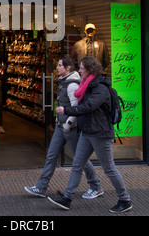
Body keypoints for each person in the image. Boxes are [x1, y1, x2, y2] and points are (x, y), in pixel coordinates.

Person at [48, 56, 132, 214]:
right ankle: (67, 198)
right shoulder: (86, 85)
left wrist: (66, 110)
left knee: (109, 168)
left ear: (90, 70)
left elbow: (88, 107)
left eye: (81, 68)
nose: (79, 70)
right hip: (87, 131)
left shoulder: (100, 88)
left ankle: (125, 199)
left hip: (100, 133)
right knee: (77, 165)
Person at [24, 57, 103, 199]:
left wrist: (67, 125)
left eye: (60, 66)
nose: (57, 68)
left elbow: (76, 108)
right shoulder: (64, 83)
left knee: (80, 160)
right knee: (51, 156)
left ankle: (96, 186)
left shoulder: (72, 85)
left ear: (68, 68)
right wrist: (57, 120)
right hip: (61, 127)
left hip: (70, 128)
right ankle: (41, 187)